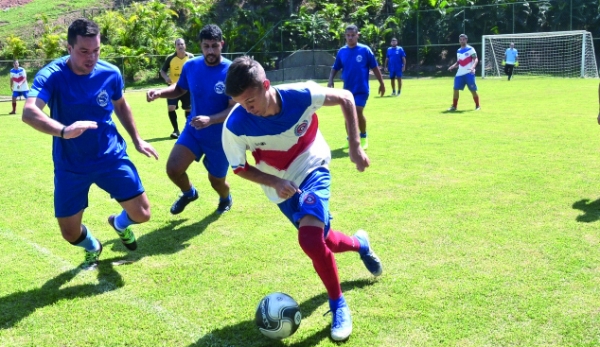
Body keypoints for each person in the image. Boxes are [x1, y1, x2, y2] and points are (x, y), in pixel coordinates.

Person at [223, 56, 383, 342]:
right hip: (280, 185)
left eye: (250, 100)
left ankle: (339, 306)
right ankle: (361, 244)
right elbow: (238, 168)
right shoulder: (235, 127)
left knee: (309, 240)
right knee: (326, 239)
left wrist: (355, 147)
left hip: (313, 166)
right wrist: (274, 181)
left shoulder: (301, 95)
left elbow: (346, 98)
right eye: (239, 102)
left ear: (266, 85)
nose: (246, 108)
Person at [21, 18, 159, 270]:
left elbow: (121, 105)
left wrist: (137, 139)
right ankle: (93, 246)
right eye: (84, 51)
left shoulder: (110, 73)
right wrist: (64, 130)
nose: (91, 57)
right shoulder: (51, 76)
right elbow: (29, 112)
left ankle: (119, 224)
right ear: (69, 48)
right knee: (70, 233)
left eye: (96, 50)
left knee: (143, 214)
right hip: (71, 165)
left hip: (110, 157)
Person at [147, 24, 234, 215]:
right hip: (194, 131)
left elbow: (234, 108)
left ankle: (225, 198)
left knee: (216, 181)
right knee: (173, 169)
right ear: (200, 46)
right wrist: (159, 92)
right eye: (206, 46)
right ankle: (189, 193)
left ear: (222, 44)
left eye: (214, 46)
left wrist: (210, 120)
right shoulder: (191, 66)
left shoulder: (232, 70)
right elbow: (179, 89)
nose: (210, 51)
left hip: (220, 138)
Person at [328, 24, 385, 150]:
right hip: (347, 90)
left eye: (353, 35)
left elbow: (375, 67)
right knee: (348, 115)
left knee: (358, 112)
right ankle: (351, 140)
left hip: (361, 89)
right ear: (345, 36)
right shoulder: (342, 52)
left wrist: (382, 83)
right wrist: (330, 80)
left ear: (357, 35)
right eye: (348, 35)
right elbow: (335, 68)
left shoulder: (365, 50)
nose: (350, 38)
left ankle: (363, 137)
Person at [160, 38, 194, 139]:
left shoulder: (191, 57)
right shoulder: (170, 58)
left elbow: (196, 69)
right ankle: (175, 130)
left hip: (187, 88)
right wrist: (166, 78)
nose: (180, 46)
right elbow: (162, 71)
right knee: (171, 107)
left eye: (182, 44)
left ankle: (188, 129)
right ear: (175, 47)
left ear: (185, 46)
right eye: (178, 44)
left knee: (188, 109)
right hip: (173, 88)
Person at [447, 34, 480, 111]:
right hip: (459, 74)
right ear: (459, 41)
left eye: (463, 39)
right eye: (461, 40)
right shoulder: (458, 50)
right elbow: (459, 61)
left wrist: (473, 67)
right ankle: (454, 106)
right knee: (455, 89)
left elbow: (476, 59)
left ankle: (477, 106)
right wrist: (453, 66)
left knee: (473, 90)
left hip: (469, 73)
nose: (462, 41)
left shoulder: (471, 49)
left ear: (466, 40)